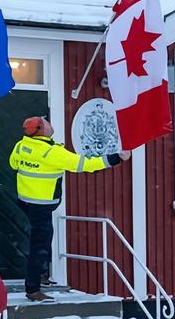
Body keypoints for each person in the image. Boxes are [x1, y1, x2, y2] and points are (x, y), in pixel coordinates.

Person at [10, 115, 130, 301]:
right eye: (47, 122)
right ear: (41, 130)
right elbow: (86, 165)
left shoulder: (20, 146)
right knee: (39, 246)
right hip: (42, 207)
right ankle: (33, 289)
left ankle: (42, 274)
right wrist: (116, 158)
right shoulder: (53, 153)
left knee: (42, 240)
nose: (50, 124)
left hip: (26, 203)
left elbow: (13, 164)